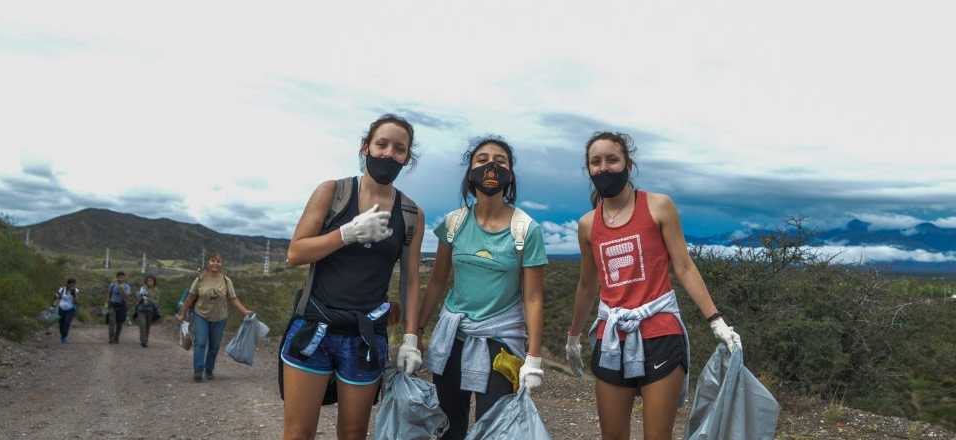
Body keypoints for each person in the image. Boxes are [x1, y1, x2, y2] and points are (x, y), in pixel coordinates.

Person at [565, 132, 742, 440]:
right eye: (596, 162)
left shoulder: (659, 206)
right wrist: (573, 337)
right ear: (588, 170)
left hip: (660, 332)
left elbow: (684, 266)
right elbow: (587, 284)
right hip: (612, 338)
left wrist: (717, 321)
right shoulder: (588, 225)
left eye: (612, 159)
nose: (604, 168)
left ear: (628, 165)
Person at [280, 114, 425, 440]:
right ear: (365, 147)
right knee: (298, 433)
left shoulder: (410, 213)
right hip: (314, 327)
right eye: (382, 144)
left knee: (354, 433)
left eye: (399, 149)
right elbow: (295, 253)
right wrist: (346, 234)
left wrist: (411, 338)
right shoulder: (333, 192)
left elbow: (412, 280)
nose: (389, 154)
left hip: (365, 338)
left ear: (407, 158)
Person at [417, 136, 548, 439]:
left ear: (510, 174)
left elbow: (533, 296)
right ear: (470, 171)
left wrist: (534, 357)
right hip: (454, 338)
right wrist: (416, 332)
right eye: (482, 159)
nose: (491, 166)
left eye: (500, 161)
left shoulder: (526, 229)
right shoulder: (453, 223)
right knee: (449, 424)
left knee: (496, 427)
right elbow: (437, 280)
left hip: (500, 341)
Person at [176, 253, 252, 382]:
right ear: (208, 263)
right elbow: (190, 298)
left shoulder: (226, 281)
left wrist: (245, 311)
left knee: (214, 346)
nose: (215, 263)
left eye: (218, 261)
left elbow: (233, 299)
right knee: (200, 342)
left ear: (221, 264)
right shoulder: (199, 279)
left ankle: (209, 370)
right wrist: (182, 313)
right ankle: (198, 371)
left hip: (220, 318)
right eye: (212, 261)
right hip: (201, 315)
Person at [105, 271, 132, 344]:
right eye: (119, 277)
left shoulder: (127, 286)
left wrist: (122, 290)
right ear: (117, 277)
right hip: (113, 305)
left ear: (124, 278)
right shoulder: (112, 285)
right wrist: (106, 304)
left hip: (122, 306)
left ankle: (116, 337)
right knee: (112, 322)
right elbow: (109, 294)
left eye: (122, 277)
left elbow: (127, 297)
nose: (121, 278)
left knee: (119, 323)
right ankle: (111, 338)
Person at [135, 274, 160, 348]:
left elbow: (157, 301)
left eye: (151, 281)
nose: (150, 282)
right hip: (141, 310)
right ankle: (143, 341)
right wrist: (140, 295)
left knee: (147, 326)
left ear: (154, 282)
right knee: (142, 325)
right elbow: (138, 299)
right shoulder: (142, 288)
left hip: (150, 311)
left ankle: (146, 340)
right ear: (146, 281)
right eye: (148, 281)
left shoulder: (156, 290)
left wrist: (149, 299)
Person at [54, 278, 79, 344]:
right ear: (67, 284)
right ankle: (62, 335)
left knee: (67, 322)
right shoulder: (62, 289)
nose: (72, 286)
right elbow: (57, 297)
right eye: (71, 284)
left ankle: (64, 336)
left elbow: (76, 302)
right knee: (61, 323)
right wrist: (53, 305)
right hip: (61, 308)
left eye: (73, 284)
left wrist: (74, 295)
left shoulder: (75, 290)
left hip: (70, 309)